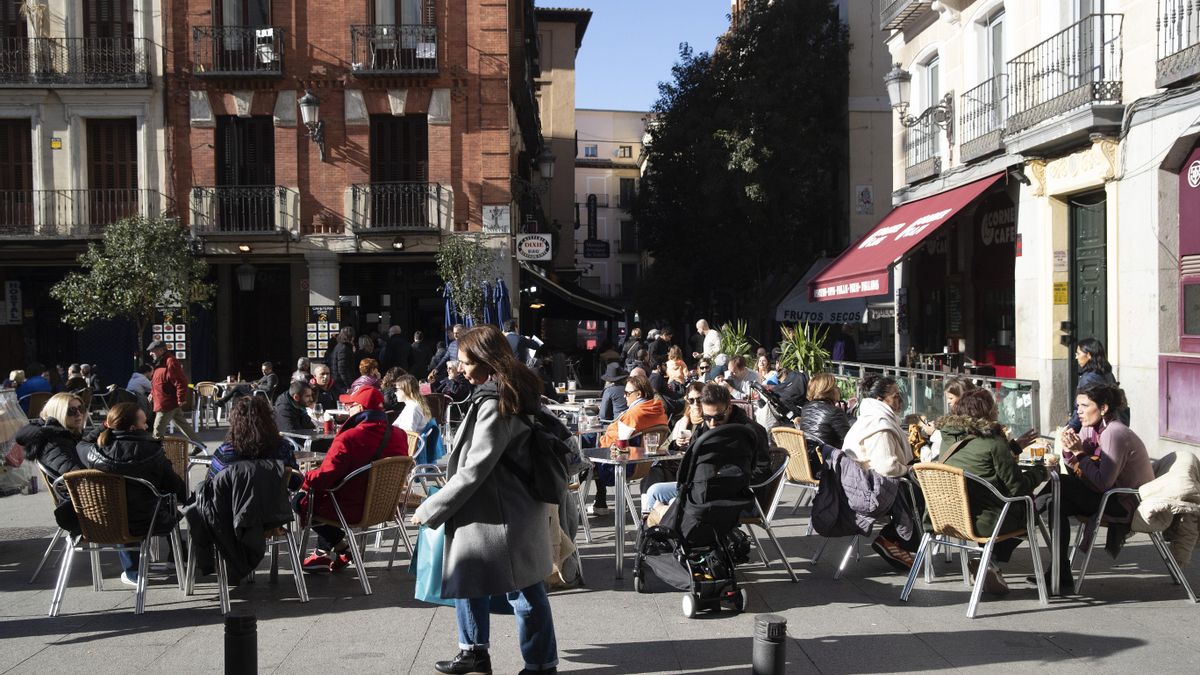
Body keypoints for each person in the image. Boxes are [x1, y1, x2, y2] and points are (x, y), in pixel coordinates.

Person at [410, 324, 559, 675]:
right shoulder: (509, 391)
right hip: (497, 507)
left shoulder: (497, 401)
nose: (460, 368)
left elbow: (475, 468)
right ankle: (475, 652)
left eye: (466, 362)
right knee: (471, 576)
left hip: (500, 511)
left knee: (524, 590)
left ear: (487, 361)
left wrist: (431, 507)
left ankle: (539, 664)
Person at [1040, 382, 1152, 592]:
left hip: (1123, 501)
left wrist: (1079, 453)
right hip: (1104, 495)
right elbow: (1078, 472)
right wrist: (1068, 451)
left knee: (1059, 483)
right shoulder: (1089, 429)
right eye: (1077, 406)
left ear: (1103, 408)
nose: (1079, 412)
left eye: (1084, 406)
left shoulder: (1114, 432)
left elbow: (1102, 483)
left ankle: (1018, 517)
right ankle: (1060, 572)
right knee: (1056, 502)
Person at [933, 389, 1043, 595]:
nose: (997, 410)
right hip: (984, 522)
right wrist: (1041, 472)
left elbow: (976, 457)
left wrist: (1013, 447)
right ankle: (990, 560)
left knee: (995, 502)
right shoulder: (993, 441)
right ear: (987, 412)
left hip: (950, 517)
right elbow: (1017, 487)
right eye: (994, 407)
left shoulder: (948, 438)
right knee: (1030, 508)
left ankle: (989, 561)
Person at [297, 386, 408, 572]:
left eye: (350, 405)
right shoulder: (400, 435)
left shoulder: (348, 438)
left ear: (361, 409)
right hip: (385, 505)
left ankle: (344, 549)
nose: (347, 409)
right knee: (323, 494)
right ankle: (327, 552)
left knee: (302, 500)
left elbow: (325, 477)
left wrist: (303, 479)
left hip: (351, 508)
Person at [80, 402, 186, 587]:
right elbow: (173, 486)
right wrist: (185, 496)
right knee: (166, 504)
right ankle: (179, 556)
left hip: (102, 521)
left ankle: (133, 572)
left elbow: (82, 443)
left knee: (122, 507)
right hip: (147, 522)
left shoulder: (94, 452)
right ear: (132, 428)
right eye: (144, 423)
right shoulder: (153, 451)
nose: (147, 426)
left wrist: (105, 426)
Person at [641, 383, 769, 515]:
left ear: (729, 408)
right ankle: (650, 526)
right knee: (654, 491)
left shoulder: (750, 431)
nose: (712, 423)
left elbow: (762, 471)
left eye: (718, 417)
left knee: (674, 504)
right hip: (701, 487)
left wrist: (723, 480)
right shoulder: (704, 428)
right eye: (707, 417)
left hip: (739, 497)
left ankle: (665, 520)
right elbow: (690, 461)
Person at [841, 374, 914, 568]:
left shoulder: (866, 418)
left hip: (858, 487)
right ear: (879, 399)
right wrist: (910, 468)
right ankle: (893, 539)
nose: (899, 400)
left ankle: (899, 542)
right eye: (895, 396)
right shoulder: (880, 426)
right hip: (873, 493)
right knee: (924, 498)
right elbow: (887, 467)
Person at [591, 375, 668, 516]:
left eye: (627, 393)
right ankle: (599, 501)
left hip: (623, 462)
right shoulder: (659, 411)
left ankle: (587, 499)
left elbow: (614, 440)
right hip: (645, 463)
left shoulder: (635, 414)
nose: (624, 396)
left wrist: (601, 439)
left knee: (585, 449)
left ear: (638, 394)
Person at [212, 395, 299, 480]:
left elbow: (212, 484)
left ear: (234, 422)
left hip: (234, 490)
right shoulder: (283, 448)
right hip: (275, 490)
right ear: (269, 419)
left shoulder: (226, 452)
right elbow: (295, 481)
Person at [16, 392, 87, 481]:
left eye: (81, 408)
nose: (79, 414)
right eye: (71, 410)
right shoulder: (53, 442)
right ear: (58, 413)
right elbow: (75, 473)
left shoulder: (69, 435)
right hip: (75, 487)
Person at [146, 340, 202, 446]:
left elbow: (181, 381)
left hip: (167, 403)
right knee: (183, 425)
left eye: (153, 351)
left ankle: (156, 452)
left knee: (157, 430)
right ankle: (199, 445)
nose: (150, 353)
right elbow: (158, 381)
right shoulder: (160, 362)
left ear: (161, 350)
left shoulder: (170, 361)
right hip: (165, 401)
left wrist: (181, 398)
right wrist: (152, 393)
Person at [1067, 337, 1128, 431]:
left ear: (1088, 355)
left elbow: (1082, 407)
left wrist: (1071, 427)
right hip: (1112, 423)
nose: (1076, 357)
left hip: (1097, 428)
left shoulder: (1088, 379)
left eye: (1078, 353)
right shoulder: (1108, 373)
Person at [799, 373, 851, 449]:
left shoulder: (806, 408)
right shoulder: (834, 412)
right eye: (835, 386)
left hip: (809, 452)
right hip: (828, 454)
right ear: (828, 391)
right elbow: (849, 440)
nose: (838, 388)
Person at [331, 327, 357, 392]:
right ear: (352, 337)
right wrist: (347, 386)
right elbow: (342, 369)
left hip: (339, 381)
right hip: (343, 384)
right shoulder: (344, 348)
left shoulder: (339, 346)